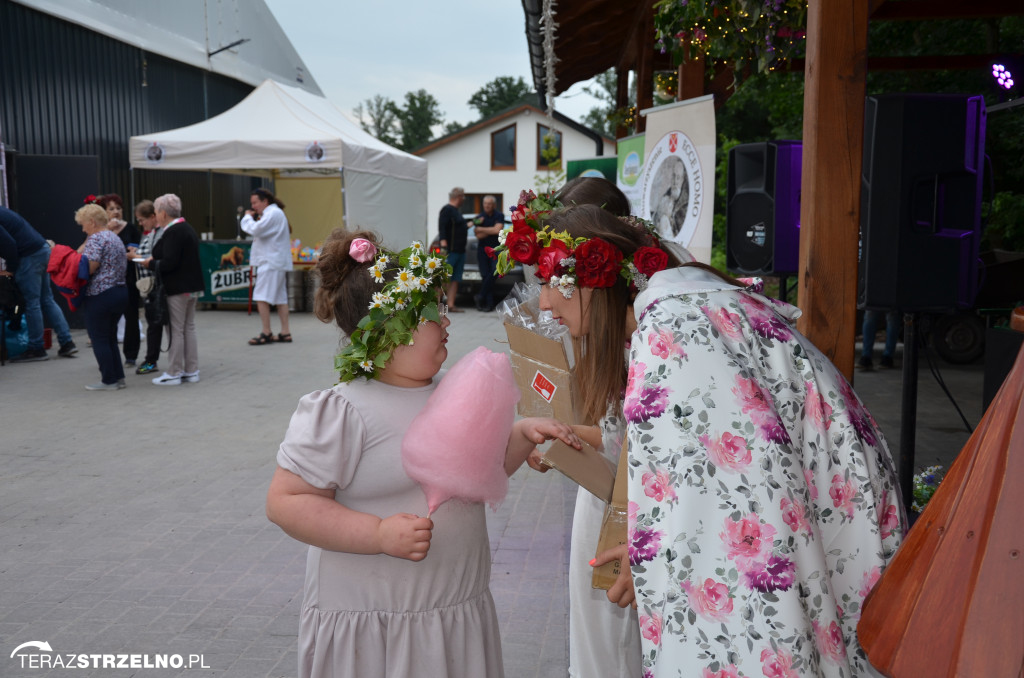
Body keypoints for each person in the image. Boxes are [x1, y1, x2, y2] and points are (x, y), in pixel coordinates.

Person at [495, 202, 906, 678]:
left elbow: (738, 503)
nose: (543, 304)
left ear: (593, 277)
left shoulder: (673, 330)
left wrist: (650, 554)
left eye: (548, 283)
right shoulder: (681, 311)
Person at [265, 228, 581, 678]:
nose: (448, 321)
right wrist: (376, 534)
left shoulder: (454, 390)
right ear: (391, 330)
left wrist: (521, 434)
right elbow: (286, 502)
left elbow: (479, 473)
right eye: (434, 312)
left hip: (454, 610)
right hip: (376, 625)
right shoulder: (342, 410)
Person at [526, 177, 644, 678]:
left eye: (552, 279)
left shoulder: (647, 332)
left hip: (633, 501)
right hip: (607, 485)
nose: (544, 303)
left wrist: (564, 434)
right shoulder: (612, 318)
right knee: (597, 634)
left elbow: (630, 437)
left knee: (613, 643)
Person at [0, 206, 76, 362]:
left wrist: (11, 269)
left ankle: (36, 348)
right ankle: (67, 342)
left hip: (28, 257)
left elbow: (9, 245)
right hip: (41, 250)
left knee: (32, 302)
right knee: (47, 299)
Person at [143, 194, 203, 386]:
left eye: (156, 212)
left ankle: (175, 371)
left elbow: (169, 262)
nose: (156, 216)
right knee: (188, 327)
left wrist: (150, 264)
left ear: (162, 213)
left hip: (178, 287)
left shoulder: (174, 231)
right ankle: (191, 370)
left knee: (176, 329)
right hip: (192, 286)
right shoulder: (186, 228)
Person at [75, 203, 128, 390]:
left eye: (83, 224)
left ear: (91, 222)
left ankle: (109, 380)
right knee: (111, 338)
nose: (82, 228)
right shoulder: (114, 237)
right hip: (120, 292)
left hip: (100, 294)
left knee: (99, 339)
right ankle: (118, 377)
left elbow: (89, 267)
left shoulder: (96, 239)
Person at [241, 187, 293, 345]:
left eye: (255, 202)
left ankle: (266, 332)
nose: (253, 206)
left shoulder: (272, 213)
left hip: (270, 262)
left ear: (265, 201)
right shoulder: (273, 213)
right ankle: (285, 332)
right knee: (280, 298)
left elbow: (256, 230)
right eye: (252, 203)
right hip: (274, 261)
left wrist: (247, 218)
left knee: (261, 297)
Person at [97, 194, 142, 367]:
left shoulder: (130, 228)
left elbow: (135, 251)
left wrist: (130, 252)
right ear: (104, 212)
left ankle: (131, 355)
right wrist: (108, 230)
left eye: (118, 208)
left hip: (128, 279)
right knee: (109, 319)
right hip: (107, 281)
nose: (116, 212)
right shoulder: (102, 231)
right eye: (111, 209)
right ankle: (110, 354)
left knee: (131, 317)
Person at [130, 200, 164, 375]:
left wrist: (136, 257)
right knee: (154, 324)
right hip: (149, 285)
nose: (141, 224)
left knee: (155, 325)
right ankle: (153, 359)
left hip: (155, 286)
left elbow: (154, 257)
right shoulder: (150, 233)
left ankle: (151, 360)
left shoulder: (158, 234)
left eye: (142, 220)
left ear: (153, 217)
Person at [438, 186, 469, 312]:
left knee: (455, 278)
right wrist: (443, 244)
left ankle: (450, 305)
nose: (464, 200)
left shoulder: (456, 211)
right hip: (450, 250)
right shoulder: (447, 210)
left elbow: (460, 227)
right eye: (463, 197)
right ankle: (436, 304)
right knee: (445, 278)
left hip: (460, 250)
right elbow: (442, 227)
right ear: (458, 197)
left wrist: (470, 224)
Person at [472, 195, 505, 312]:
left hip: (496, 250)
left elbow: (497, 230)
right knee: (485, 275)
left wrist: (482, 229)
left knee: (493, 273)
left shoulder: (499, 215)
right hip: (482, 250)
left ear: (494, 205)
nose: (487, 206)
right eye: (485, 203)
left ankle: (480, 296)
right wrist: (490, 230)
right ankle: (488, 304)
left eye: (489, 204)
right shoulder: (479, 217)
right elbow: (478, 234)